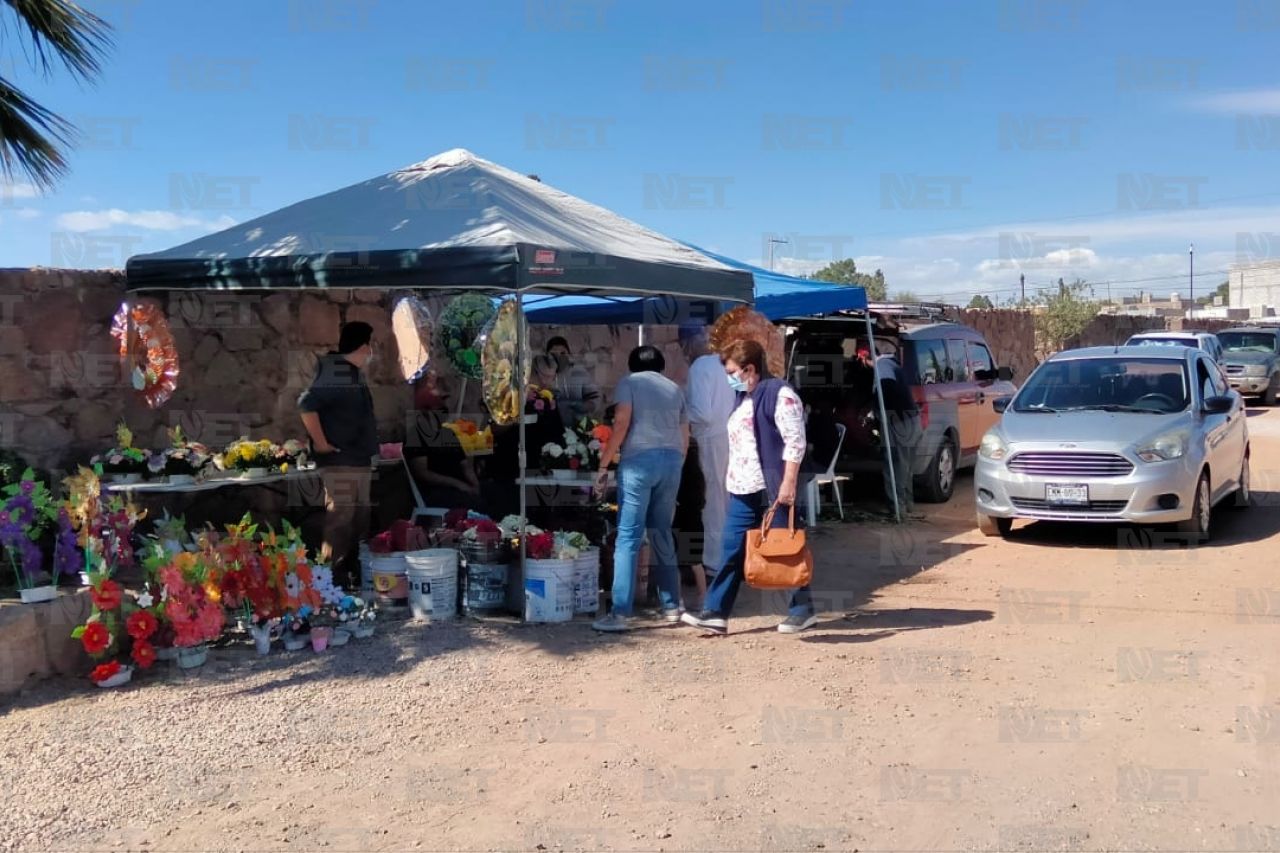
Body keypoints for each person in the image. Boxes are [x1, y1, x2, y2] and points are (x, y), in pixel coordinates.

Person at [680, 339, 817, 635]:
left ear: (750, 369)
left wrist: (788, 483)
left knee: (784, 549)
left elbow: (795, 441)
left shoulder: (780, 394)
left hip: (772, 486)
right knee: (730, 548)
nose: (729, 379)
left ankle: (802, 609)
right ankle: (715, 612)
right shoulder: (744, 398)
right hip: (743, 488)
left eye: (732, 372)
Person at [590, 345, 689, 632]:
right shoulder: (675, 389)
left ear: (632, 365)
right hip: (672, 462)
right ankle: (672, 606)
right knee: (662, 535)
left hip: (639, 463)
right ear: (661, 366)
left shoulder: (629, 383)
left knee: (628, 537)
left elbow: (621, 423)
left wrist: (604, 464)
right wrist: (676, 465)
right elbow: (685, 436)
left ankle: (620, 613)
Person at [297, 321, 379, 590]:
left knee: (359, 519)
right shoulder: (335, 371)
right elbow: (306, 403)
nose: (371, 351)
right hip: (340, 462)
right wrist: (320, 444)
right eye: (370, 345)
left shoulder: (352, 373)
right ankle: (330, 581)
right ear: (364, 345)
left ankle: (351, 576)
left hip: (358, 459)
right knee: (341, 520)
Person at [678, 323, 734, 601]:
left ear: (689, 345)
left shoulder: (700, 367)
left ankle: (712, 564)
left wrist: (679, 410)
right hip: (730, 436)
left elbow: (702, 413)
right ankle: (729, 559)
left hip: (710, 439)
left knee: (710, 503)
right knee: (724, 500)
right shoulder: (723, 362)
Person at [404, 368, 482, 511]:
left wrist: (475, 485)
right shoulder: (417, 434)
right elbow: (422, 472)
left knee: (492, 495)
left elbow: (465, 466)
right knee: (470, 503)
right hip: (437, 491)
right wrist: (458, 484)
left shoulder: (448, 432)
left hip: (458, 487)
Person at [859, 347, 922, 517]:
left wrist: (876, 412)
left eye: (862, 361)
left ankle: (898, 510)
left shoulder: (882, 367)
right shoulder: (892, 364)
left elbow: (886, 385)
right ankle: (908, 505)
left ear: (866, 358)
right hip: (911, 419)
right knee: (905, 466)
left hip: (898, 421)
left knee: (895, 466)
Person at [546, 336, 602, 427]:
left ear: (569, 354)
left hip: (578, 427)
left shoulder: (579, 373)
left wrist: (581, 406)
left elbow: (595, 399)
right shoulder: (542, 375)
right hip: (550, 426)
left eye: (562, 353)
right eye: (553, 354)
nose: (558, 357)